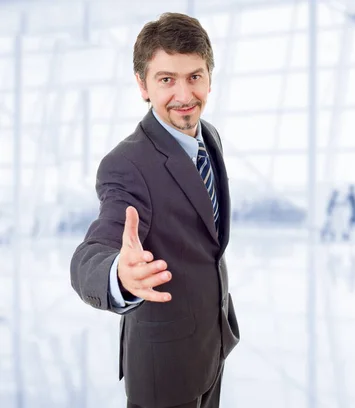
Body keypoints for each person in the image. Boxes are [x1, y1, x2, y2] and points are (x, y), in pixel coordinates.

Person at [70, 13, 240, 408]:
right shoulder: (127, 165)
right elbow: (93, 252)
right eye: (166, 79)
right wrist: (118, 274)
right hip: (164, 366)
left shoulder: (208, 136)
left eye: (194, 76)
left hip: (213, 345)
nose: (184, 94)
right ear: (142, 85)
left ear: (210, 79)